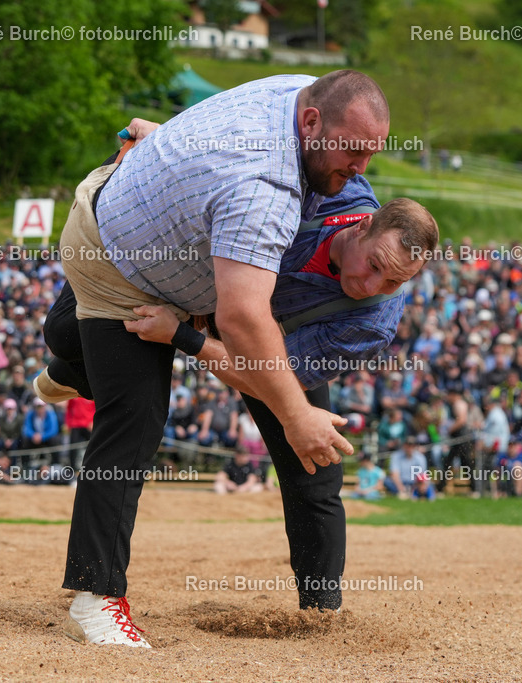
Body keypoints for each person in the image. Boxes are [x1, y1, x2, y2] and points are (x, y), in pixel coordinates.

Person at [39, 70, 410, 647]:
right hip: (120, 257)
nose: (373, 286)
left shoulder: (313, 122)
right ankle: (96, 598)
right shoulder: (272, 186)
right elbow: (242, 317)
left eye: (393, 282)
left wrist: (291, 414)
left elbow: (265, 369)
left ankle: (321, 614)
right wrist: (168, 152)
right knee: (130, 413)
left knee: (316, 465)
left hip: (220, 304)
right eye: (352, 149)